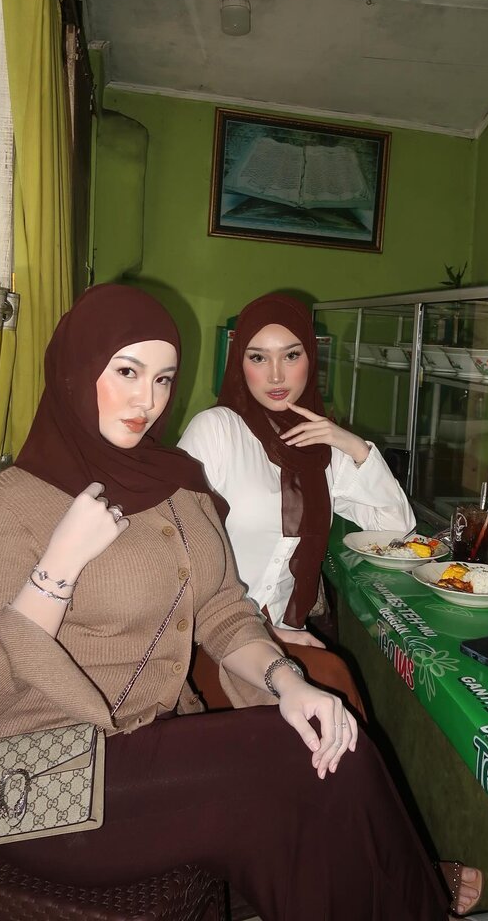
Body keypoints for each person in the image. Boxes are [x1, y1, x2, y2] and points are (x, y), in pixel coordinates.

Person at [0, 284, 488, 921]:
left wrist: (288, 682)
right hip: (47, 788)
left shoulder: (175, 486)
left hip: (155, 747)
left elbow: (225, 611)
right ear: (75, 370)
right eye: (127, 372)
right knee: (299, 768)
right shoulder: (9, 504)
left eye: (164, 379)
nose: (148, 400)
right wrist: (57, 568)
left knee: (329, 746)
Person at [179, 293, 415, 712]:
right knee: (334, 692)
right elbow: (178, 554)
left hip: (287, 638)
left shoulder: (322, 447)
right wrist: (262, 632)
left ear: (312, 358)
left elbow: (396, 528)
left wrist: (352, 445)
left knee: (332, 705)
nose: (276, 374)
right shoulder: (217, 431)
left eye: (291, 355)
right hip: (209, 640)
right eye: (258, 357)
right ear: (238, 362)